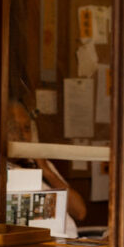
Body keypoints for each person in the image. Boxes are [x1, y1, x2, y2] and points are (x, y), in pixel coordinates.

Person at [6, 100, 87, 235]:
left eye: (26, 128)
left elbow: (80, 212)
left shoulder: (41, 164)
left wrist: (47, 172)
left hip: (67, 241)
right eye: (14, 128)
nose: (22, 135)